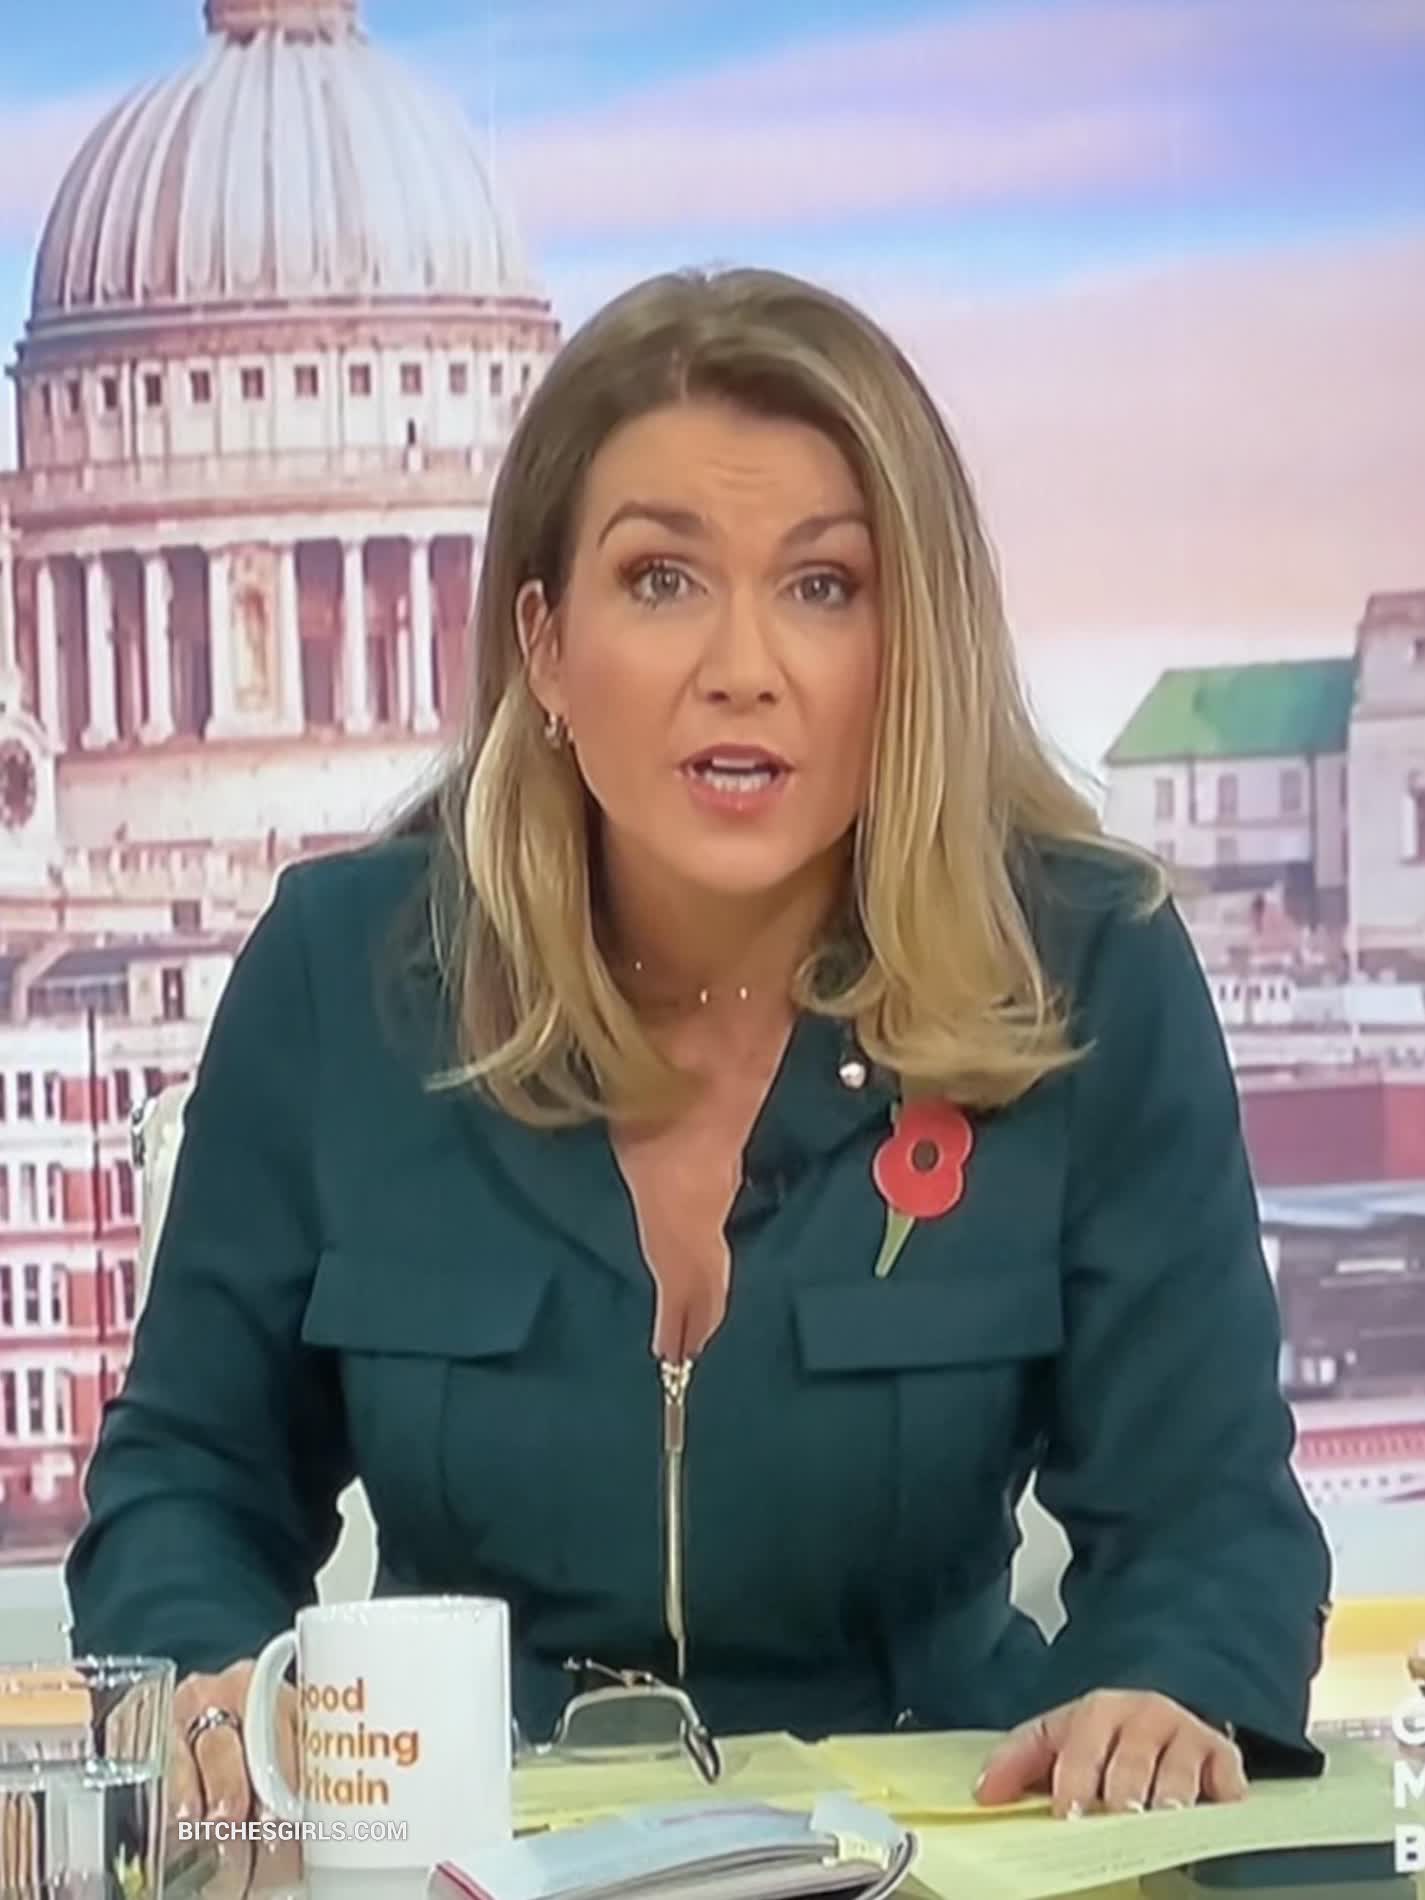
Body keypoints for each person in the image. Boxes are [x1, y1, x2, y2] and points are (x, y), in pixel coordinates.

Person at [67, 266, 1331, 1830]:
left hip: (941, 1843)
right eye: (661, 580)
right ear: (545, 643)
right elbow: (187, 1486)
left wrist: (1166, 1694)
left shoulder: (1085, 970)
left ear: (911, 646)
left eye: (823, 586)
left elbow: (1207, 1520)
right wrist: (207, 1693)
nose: (743, 665)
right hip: (470, 1843)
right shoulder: (345, 972)